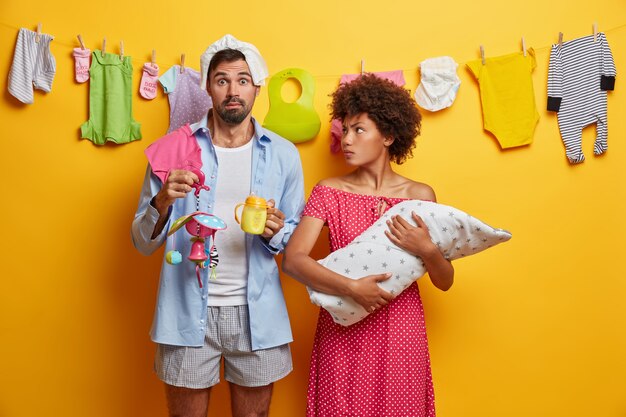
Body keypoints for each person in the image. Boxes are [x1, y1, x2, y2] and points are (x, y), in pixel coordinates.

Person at [131, 34, 304, 417]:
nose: (233, 90)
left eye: (243, 80)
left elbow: (296, 243)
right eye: (222, 79)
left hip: (258, 313)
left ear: (257, 87)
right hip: (185, 310)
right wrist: (161, 202)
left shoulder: (283, 155)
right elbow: (141, 243)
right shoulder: (174, 148)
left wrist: (277, 232)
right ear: (208, 86)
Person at [283, 74, 454, 417]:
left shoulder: (420, 197)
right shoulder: (328, 191)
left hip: (400, 331)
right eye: (344, 129)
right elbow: (293, 260)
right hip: (342, 328)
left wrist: (428, 249)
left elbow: (445, 281)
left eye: (358, 130)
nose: (346, 139)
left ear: (389, 136)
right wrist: (350, 287)